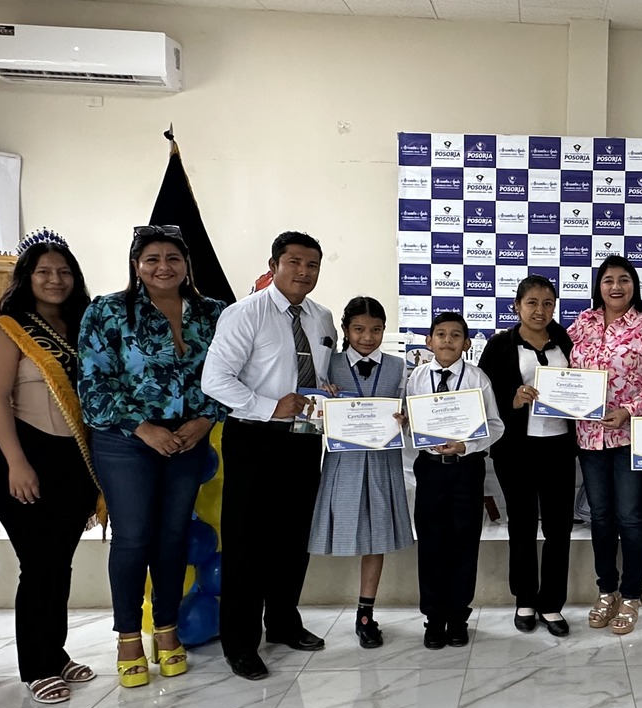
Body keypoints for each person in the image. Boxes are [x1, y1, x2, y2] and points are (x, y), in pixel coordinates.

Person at [77, 224, 221, 689]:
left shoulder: (212, 312)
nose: (163, 267)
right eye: (152, 259)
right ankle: (127, 638)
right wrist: (144, 429)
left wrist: (206, 420)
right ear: (136, 265)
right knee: (134, 537)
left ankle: (167, 629)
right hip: (126, 440)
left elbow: (229, 374)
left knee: (172, 537)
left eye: (173, 258)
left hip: (188, 439)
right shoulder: (107, 311)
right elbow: (93, 383)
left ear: (186, 264)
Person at [201, 230, 336, 678]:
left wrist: (329, 392)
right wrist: (268, 406)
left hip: (304, 439)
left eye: (312, 265)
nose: (303, 272)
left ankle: (282, 622)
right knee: (247, 543)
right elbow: (214, 380)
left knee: (293, 539)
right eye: (294, 262)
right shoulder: (245, 313)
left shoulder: (322, 317)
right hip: (254, 438)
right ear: (274, 265)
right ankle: (240, 643)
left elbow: (319, 374)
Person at [0, 232, 103, 705]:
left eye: (64, 272)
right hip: (27, 454)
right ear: (26, 278)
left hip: (77, 458)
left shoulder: (84, 326)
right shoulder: (8, 329)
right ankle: (36, 665)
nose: (55, 280)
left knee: (59, 563)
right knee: (38, 565)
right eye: (44, 272)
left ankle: (55, 651)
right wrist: (15, 462)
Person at [568, 254, 642, 638]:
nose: (616, 287)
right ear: (599, 286)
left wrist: (628, 410)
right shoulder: (583, 323)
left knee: (630, 517)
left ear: (634, 285)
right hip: (589, 437)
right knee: (600, 517)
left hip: (629, 437)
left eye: (624, 280)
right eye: (608, 280)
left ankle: (631, 595)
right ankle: (606, 590)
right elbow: (563, 371)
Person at [309, 296, 414, 646]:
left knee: (377, 535)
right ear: (345, 329)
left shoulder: (398, 367)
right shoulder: (328, 365)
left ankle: (365, 612)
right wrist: (322, 400)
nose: (367, 337)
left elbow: (410, 413)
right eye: (359, 329)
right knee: (341, 529)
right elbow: (311, 412)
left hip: (383, 462)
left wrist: (405, 419)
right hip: (345, 462)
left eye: (376, 329)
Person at [478, 275, 577, 636]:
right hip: (516, 450)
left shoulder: (566, 340)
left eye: (548, 303)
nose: (540, 310)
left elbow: (583, 385)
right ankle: (524, 599)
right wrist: (514, 400)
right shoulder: (499, 345)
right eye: (532, 302)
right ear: (517, 306)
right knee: (521, 523)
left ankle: (552, 603)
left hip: (559, 447)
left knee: (558, 527)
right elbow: (484, 397)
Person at [406, 311, 504, 649]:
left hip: (466, 469)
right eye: (441, 334)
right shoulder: (417, 378)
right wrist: (405, 422)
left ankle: (459, 617)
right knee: (431, 544)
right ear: (429, 340)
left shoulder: (478, 379)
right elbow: (410, 421)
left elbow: (496, 425)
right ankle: (434, 619)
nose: (447, 340)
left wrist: (466, 446)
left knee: (464, 543)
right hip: (430, 468)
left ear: (467, 343)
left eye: (455, 335)